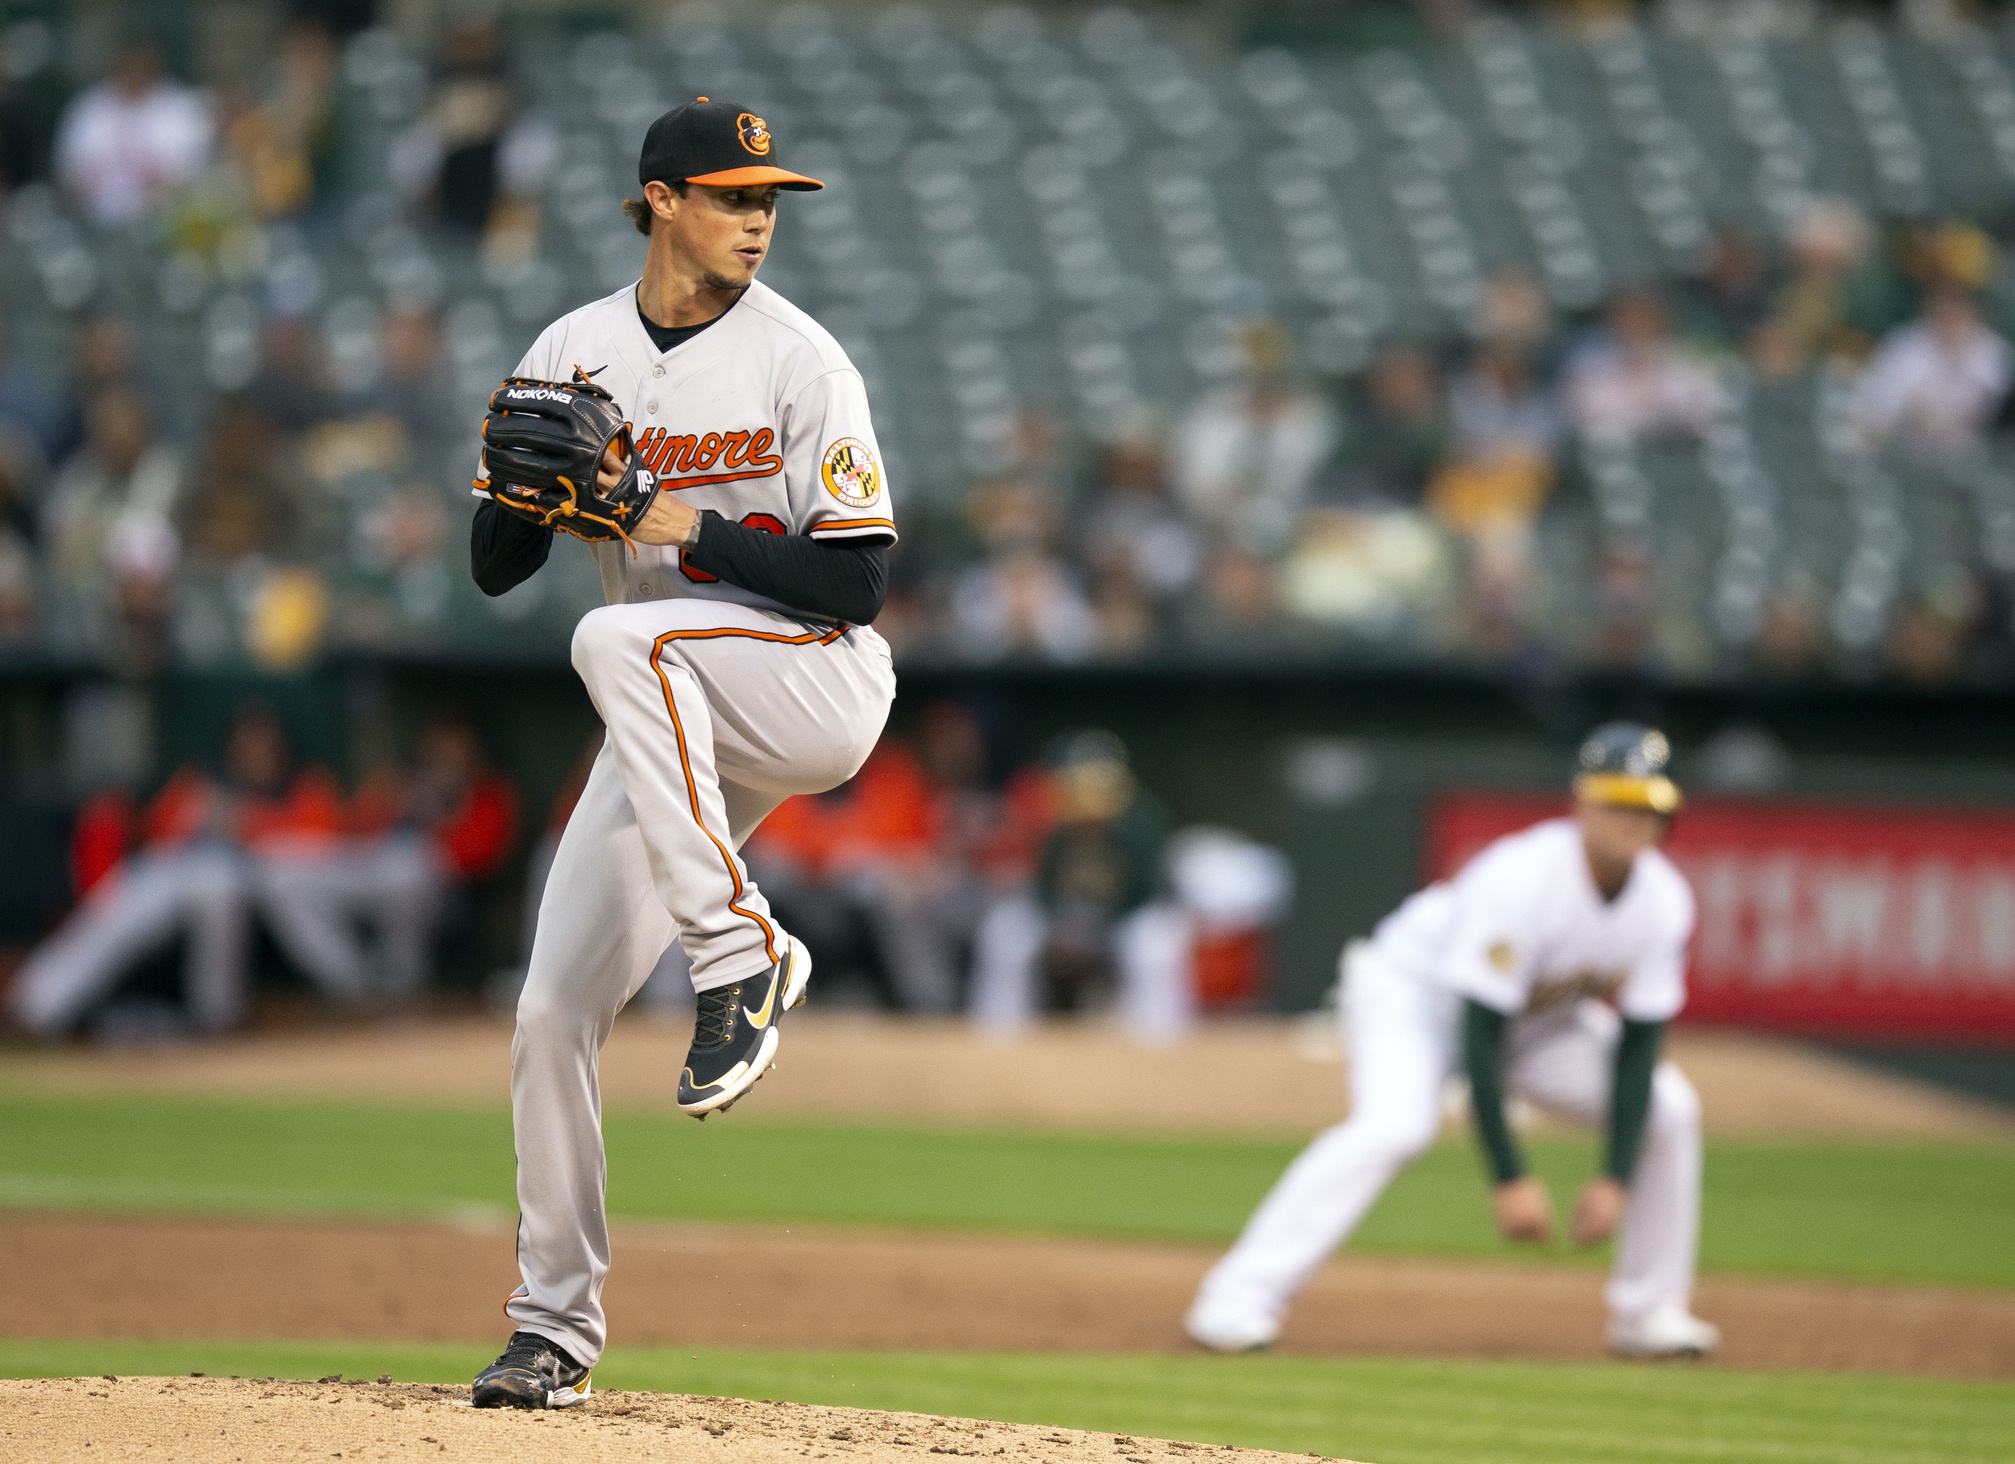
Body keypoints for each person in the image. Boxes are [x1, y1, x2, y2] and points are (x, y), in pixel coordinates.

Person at [463, 99, 896, 1409]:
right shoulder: (572, 347)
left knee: (615, 636)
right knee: (549, 1016)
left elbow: (859, 583)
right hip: (669, 716)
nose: (757, 220)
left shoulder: (801, 360)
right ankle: (551, 1333)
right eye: (730, 196)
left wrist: (671, 519)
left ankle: (737, 952)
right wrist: (537, 490)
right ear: (659, 201)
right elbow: (493, 569)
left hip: (808, 682)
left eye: (768, 200)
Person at [1186, 723, 1716, 1361]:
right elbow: (1479, 1034)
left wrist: (1615, 1177)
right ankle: (1236, 1297)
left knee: (1670, 1107)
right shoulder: (1523, 878)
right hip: (1414, 998)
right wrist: (1510, 1177)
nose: (1634, 819)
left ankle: (1650, 1315)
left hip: (1537, 1025)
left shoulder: (1663, 903)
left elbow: (1638, 1049)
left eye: (1648, 806)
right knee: (1394, 1128)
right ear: (1582, 803)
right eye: (1618, 802)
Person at [9, 701, 346, 1038]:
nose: (256, 751)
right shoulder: (203, 780)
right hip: (183, 870)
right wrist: (197, 817)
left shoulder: (306, 785)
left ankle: (217, 1019)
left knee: (219, 884)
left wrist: (246, 823)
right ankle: (36, 1004)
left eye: (265, 741)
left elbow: (322, 842)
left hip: (258, 880)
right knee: (125, 902)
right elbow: (159, 829)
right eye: (248, 740)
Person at [968, 730, 1184, 1042]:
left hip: (1120, 924)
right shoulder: (1050, 823)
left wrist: (1099, 926)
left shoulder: (1140, 824)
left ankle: (1156, 1039)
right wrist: (1062, 926)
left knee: (1155, 941)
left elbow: (1149, 895)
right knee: (1006, 931)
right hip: (1062, 923)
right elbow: (1039, 891)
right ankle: (999, 1034)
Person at [54, 39, 212, 226]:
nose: (135, 70)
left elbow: (197, 180)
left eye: (141, 63)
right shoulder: (88, 109)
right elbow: (68, 178)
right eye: (129, 63)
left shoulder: (182, 109)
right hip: (93, 226)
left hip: (164, 225)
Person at [1852, 285, 2013, 457]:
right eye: (1944, 307)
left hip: (1978, 454)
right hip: (1909, 452)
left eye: (1958, 309)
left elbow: (2001, 410)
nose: (1951, 317)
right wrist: (1914, 414)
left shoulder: (1994, 351)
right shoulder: (1904, 346)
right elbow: (1877, 409)